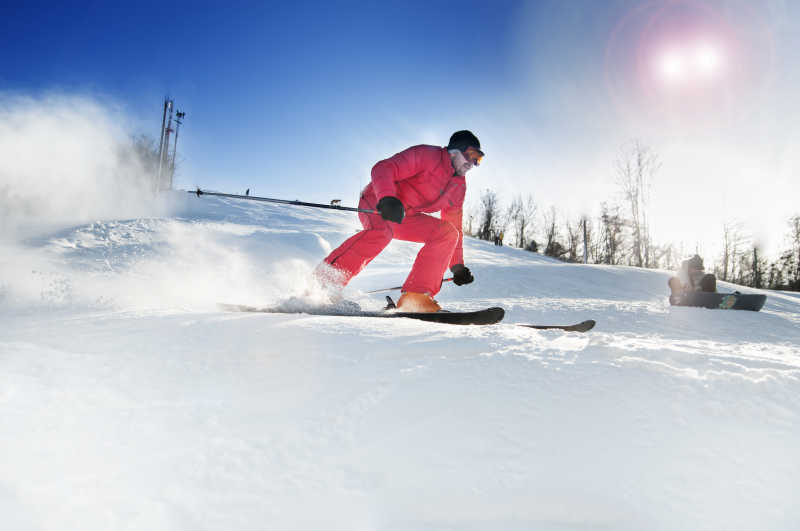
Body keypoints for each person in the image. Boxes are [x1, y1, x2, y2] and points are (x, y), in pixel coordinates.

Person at [315, 130, 485, 312]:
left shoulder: (458, 186)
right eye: (472, 155)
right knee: (381, 233)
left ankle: (416, 297)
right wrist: (387, 198)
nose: (473, 164)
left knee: (447, 232)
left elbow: (455, 224)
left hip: (404, 216)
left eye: (479, 160)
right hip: (378, 201)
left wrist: (457, 265)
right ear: (454, 151)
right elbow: (383, 168)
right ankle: (323, 285)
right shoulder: (427, 156)